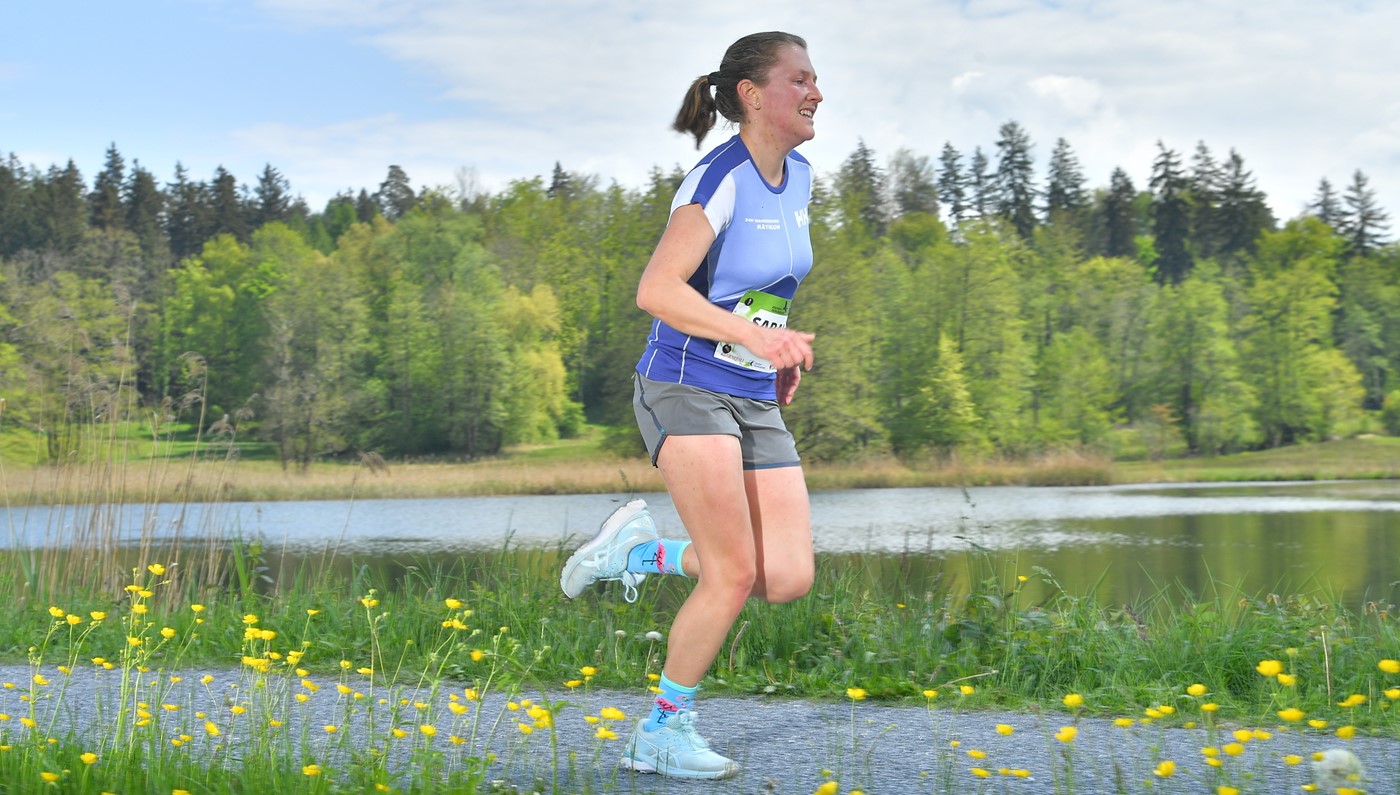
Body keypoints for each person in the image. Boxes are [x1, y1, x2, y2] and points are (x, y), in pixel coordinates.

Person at [560, 30, 823, 780]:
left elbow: (759, 285)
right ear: (752, 94)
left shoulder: (798, 176)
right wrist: (749, 336)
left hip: (750, 391)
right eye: (799, 79)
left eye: (816, 80)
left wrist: (770, 352)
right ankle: (662, 730)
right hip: (683, 384)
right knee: (733, 572)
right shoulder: (719, 177)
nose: (816, 92)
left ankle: (636, 552)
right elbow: (658, 289)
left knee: (786, 576)